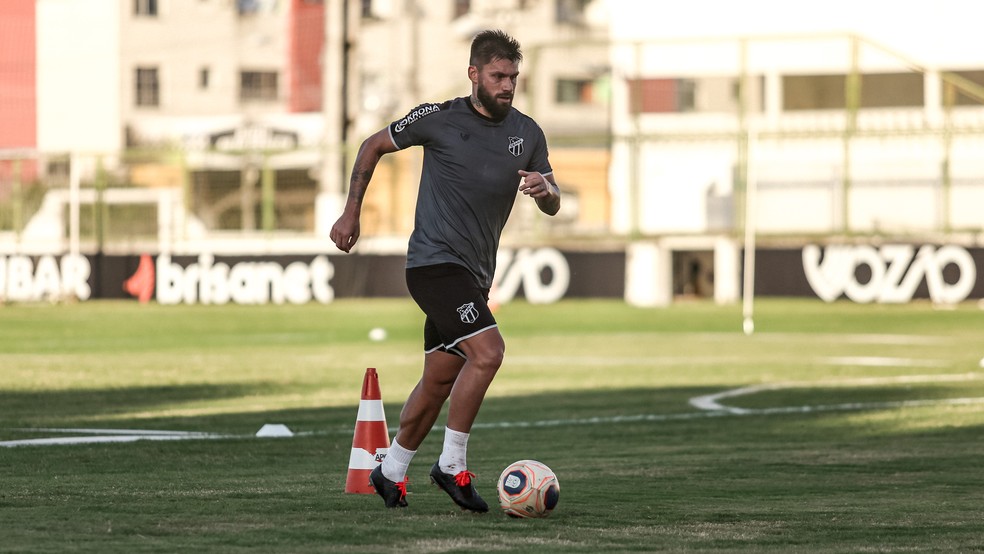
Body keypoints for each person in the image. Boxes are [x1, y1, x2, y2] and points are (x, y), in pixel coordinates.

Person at [330, 29, 560, 512]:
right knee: (489, 352)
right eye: (498, 75)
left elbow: (553, 201)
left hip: (474, 275)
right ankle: (451, 465)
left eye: (514, 77)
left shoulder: (528, 133)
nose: (508, 85)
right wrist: (351, 212)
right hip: (433, 265)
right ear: (474, 73)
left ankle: (389, 471)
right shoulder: (437, 118)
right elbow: (372, 145)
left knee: (439, 377)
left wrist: (546, 190)